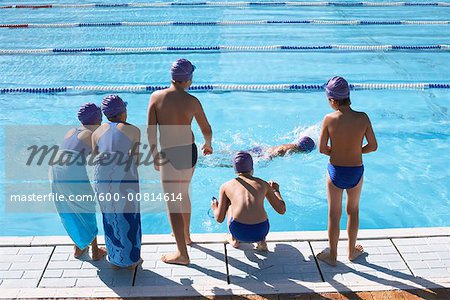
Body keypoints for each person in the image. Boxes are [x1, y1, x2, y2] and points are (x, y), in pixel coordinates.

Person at [147, 58, 213, 265]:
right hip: (189, 152)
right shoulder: (192, 101)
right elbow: (206, 129)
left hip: (169, 153)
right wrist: (208, 144)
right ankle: (186, 236)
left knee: (172, 203)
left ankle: (182, 253)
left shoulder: (156, 98)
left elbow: (151, 130)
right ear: (189, 79)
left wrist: (154, 153)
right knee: (183, 193)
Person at [317, 76, 378, 266]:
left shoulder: (329, 119)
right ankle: (351, 252)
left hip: (335, 171)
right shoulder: (363, 117)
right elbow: (373, 146)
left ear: (333, 100)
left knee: (334, 214)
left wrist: (337, 151)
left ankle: (333, 255)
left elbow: (321, 148)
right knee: (353, 211)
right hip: (356, 171)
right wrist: (356, 150)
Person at [50, 103, 106, 261]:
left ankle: (78, 247)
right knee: (87, 205)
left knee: (70, 208)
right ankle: (95, 251)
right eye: (100, 119)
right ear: (97, 119)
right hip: (70, 171)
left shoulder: (72, 131)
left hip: (55, 169)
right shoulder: (91, 134)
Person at [92, 95, 142, 269]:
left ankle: (114, 259)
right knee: (130, 216)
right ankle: (131, 260)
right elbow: (135, 159)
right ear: (123, 112)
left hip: (100, 174)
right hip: (123, 173)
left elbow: (95, 156)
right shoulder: (134, 130)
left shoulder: (97, 132)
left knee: (109, 215)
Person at [211, 151, 286, 251]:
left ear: (235, 170)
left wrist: (215, 207)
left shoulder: (226, 186)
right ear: (252, 168)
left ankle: (234, 240)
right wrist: (275, 190)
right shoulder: (263, 184)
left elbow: (219, 219)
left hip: (238, 232)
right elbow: (281, 210)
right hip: (261, 231)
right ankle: (262, 241)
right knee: (258, 205)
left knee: (230, 206)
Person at [249, 136, 315, 159]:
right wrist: (269, 158)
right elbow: (279, 150)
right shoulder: (292, 149)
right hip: (261, 153)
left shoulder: (294, 145)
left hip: (262, 149)